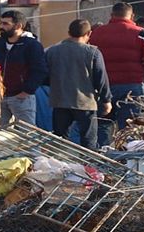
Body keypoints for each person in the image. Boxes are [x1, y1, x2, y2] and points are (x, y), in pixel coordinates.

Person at [89, 2, 144, 147]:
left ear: (111, 15)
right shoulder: (139, 33)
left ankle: (102, 155)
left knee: (103, 124)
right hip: (132, 85)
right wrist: (143, 71)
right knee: (129, 126)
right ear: (132, 16)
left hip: (102, 86)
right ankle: (128, 158)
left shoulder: (96, 33)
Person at [46, 19, 112, 150]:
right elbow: (101, 78)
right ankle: (88, 167)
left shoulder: (52, 51)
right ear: (89, 33)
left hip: (60, 101)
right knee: (88, 141)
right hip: (85, 102)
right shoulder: (93, 52)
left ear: (69, 32)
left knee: (59, 139)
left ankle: (59, 164)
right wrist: (106, 100)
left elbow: (45, 75)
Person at [0, 11, 47, 125]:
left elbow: (40, 70)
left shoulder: (32, 45)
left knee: (26, 132)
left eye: (6, 24)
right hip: (0, 96)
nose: (1, 27)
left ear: (18, 26)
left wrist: (26, 91)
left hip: (21, 97)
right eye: (1, 23)